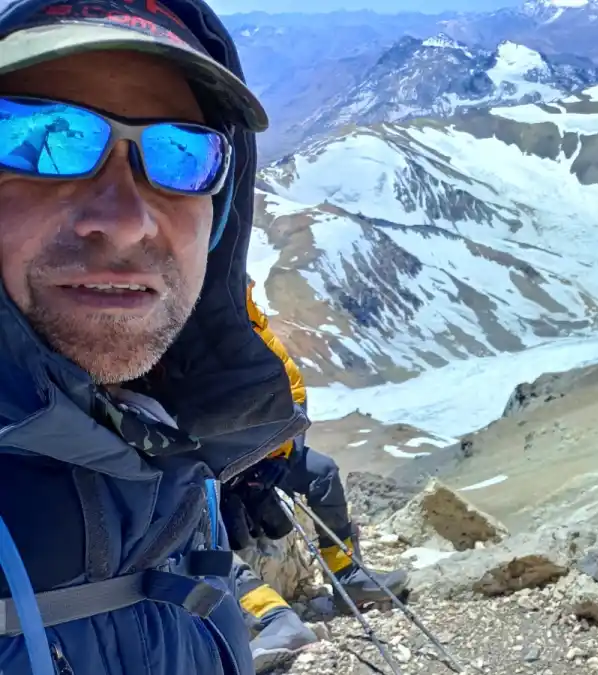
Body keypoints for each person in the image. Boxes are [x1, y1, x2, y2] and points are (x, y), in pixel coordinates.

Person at [0, 0, 305, 674]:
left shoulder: (176, 455)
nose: (126, 220)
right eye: (45, 137)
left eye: (182, 153)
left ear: (221, 210)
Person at [228, 283, 410, 671]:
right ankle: (268, 618)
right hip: (238, 458)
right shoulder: (217, 320)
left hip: (275, 447)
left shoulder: (246, 314)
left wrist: (288, 442)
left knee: (323, 473)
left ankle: (348, 576)